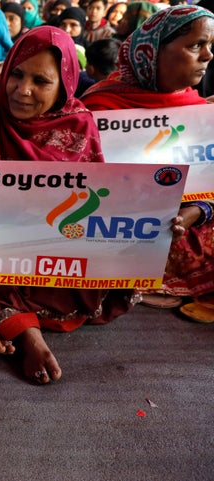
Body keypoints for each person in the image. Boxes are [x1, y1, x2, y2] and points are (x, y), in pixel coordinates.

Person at [0, 26, 134, 384]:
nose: (22, 90)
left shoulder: (80, 125)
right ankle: (24, 329)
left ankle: (2, 321)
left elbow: (95, 204)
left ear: (64, 84)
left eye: (41, 81)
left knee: (108, 265)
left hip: (49, 252)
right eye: (15, 74)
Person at [81, 5, 214, 320]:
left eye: (210, 46)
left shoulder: (198, 110)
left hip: (187, 224)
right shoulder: (101, 108)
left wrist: (198, 210)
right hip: (128, 231)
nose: (208, 55)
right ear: (153, 51)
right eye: (196, 45)